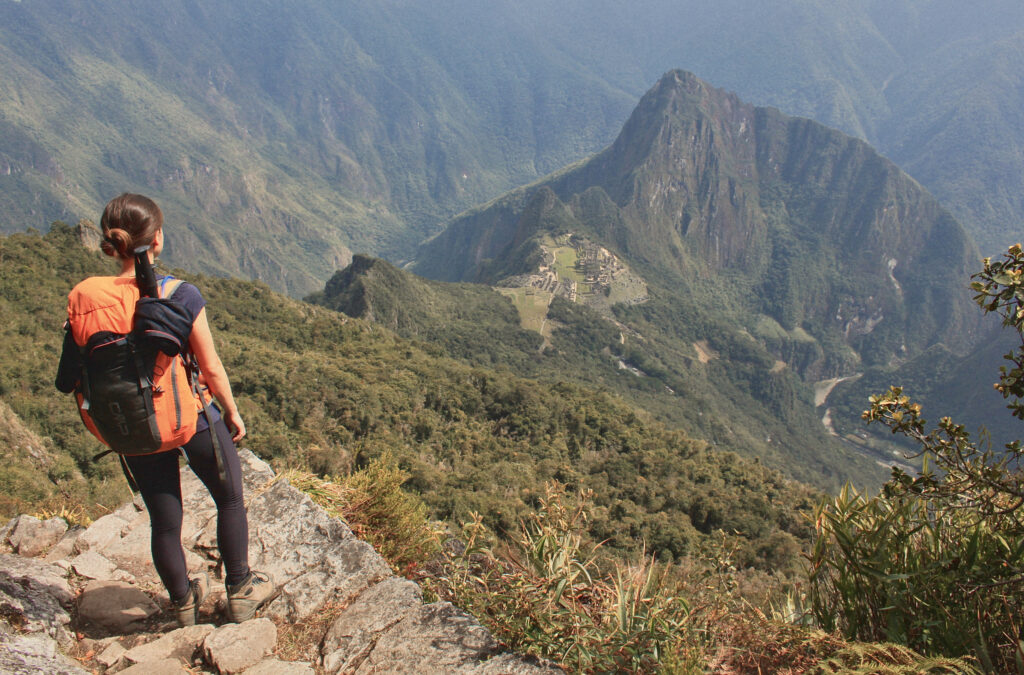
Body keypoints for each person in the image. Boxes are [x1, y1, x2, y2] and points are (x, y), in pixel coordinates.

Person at [73, 193, 274, 626]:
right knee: (231, 499)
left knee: (164, 524)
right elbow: (210, 366)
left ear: (113, 244)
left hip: (135, 428)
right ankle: (240, 590)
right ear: (157, 239)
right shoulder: (176, 294)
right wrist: (232, 412)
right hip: (191, 417)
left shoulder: (86, 300)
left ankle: (183, 603)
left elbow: (75, 373)